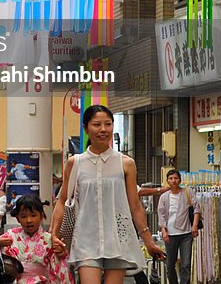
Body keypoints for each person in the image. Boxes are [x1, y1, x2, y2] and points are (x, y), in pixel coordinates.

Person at [51, 105, 165, 284]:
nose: (103, 129)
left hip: (118, 240)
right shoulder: (76, 163)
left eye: (108, 124)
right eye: (97, 124)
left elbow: (135, 206)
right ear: (86, 128)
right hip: (86, 239)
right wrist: (53, 234)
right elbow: (62, 200)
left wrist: (149, 241)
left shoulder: (126, 163)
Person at [0, 194, 72, 283]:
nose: (29, 220)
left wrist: (61, 253)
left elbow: (59, 265)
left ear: (41, 216)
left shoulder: (49, 239)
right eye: (23, 216)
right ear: (18, 218)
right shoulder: (11, 235)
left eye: (33, 215)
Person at [157, 169, 200, 284]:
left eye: (176, 178)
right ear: (167, 181)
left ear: (180, 180)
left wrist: (194, 225)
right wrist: (164, 231)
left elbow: (197, 209)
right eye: (171, 178)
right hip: (170, 234)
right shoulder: (164, 197)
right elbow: (161, 215)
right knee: (170, 265)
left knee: (185, 264)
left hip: (186, 233)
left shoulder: (188, 192)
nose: (173, 181)